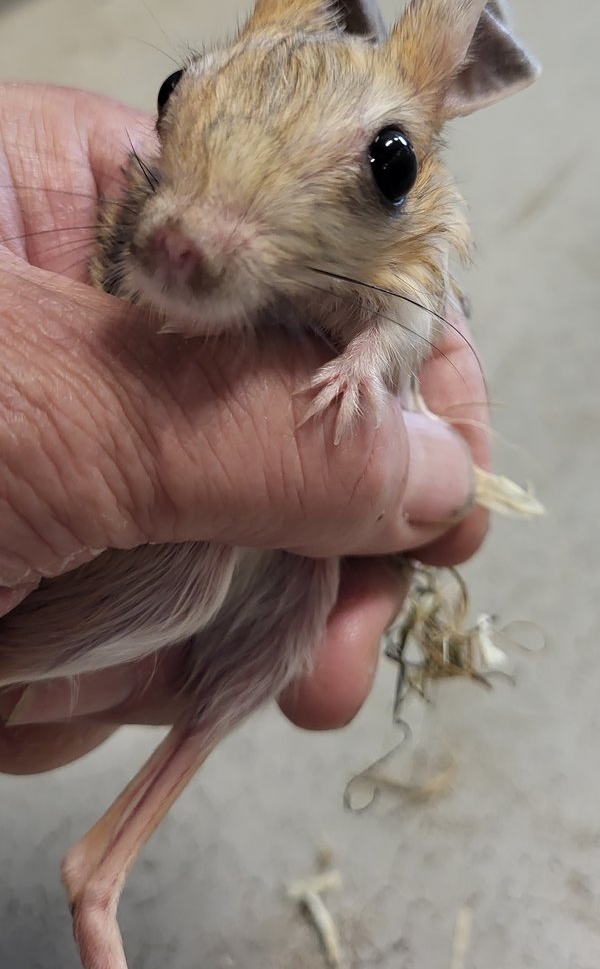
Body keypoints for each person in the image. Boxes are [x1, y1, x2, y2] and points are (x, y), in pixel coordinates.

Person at [0, 83, 490, 774]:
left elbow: (406, 316)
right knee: (196, 591)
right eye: (175, 104)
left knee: (285, 610)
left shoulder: (403, 252)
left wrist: (366, 360)